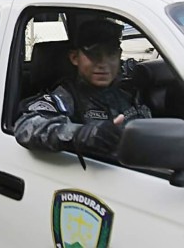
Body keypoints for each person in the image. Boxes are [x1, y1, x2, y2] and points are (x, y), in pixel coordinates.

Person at [14, 18, 152, 156]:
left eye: (110, 54)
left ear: (119, 55)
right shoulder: (65, 98)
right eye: (94, 55)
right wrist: (83, 135)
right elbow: (26, 126)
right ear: (75, 58)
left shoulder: (129, 93)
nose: (103, 63)